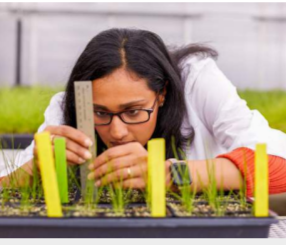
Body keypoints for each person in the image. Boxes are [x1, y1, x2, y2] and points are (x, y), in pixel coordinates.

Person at [1, 28, 286, 196]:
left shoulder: (195, 83)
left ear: (161, 95)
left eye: (133, 112)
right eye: (100, 112)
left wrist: (170, 175)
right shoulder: (67, 109)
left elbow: (277, 166)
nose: (117, 132)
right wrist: (34, 169)